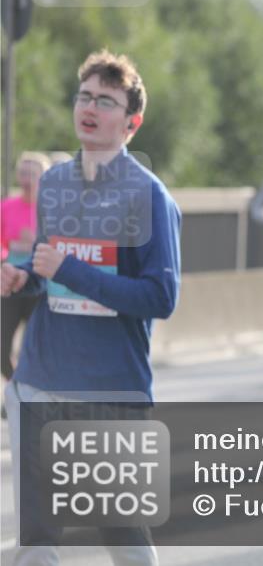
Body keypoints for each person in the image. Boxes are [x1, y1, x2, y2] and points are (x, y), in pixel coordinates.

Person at [1, 49, 181, 565]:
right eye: (84, 95)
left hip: (109, 390)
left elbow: (161, 298)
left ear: (131, 122)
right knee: (36, 538)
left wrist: (69, 270)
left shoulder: (148, 197)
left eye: (106, 100)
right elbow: (49, 270)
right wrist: (23, 277)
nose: (91, 106)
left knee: (122, 534)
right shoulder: (54, 183)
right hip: (38, 380)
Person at [1, 152, 50, 384]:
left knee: (34, 349)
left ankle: (21, 395)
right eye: (22, 173)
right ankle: (15, 388)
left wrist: (33, 243)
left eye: (32, 173)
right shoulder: (7, 207)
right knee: (2, 348)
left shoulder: (51, 209)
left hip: (40, 287)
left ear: (43, 176)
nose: (26, 179)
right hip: (10, 285)